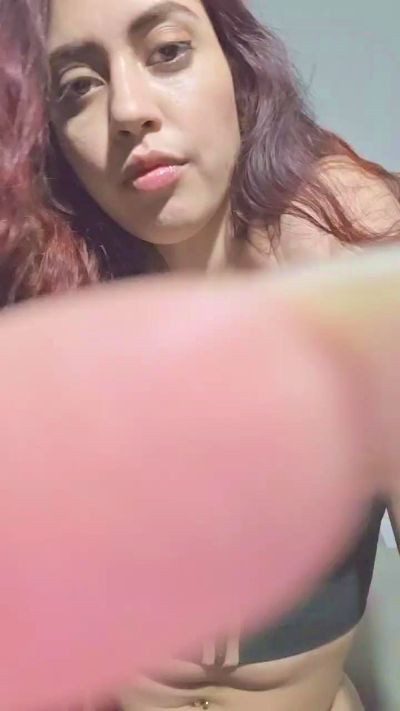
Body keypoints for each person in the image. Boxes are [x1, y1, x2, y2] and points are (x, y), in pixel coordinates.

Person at [0, 0, 399, 709]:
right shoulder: (48, 291)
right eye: (79, 86)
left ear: (236, 68)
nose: (129, 110)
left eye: (167, 51)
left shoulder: (356, 258)